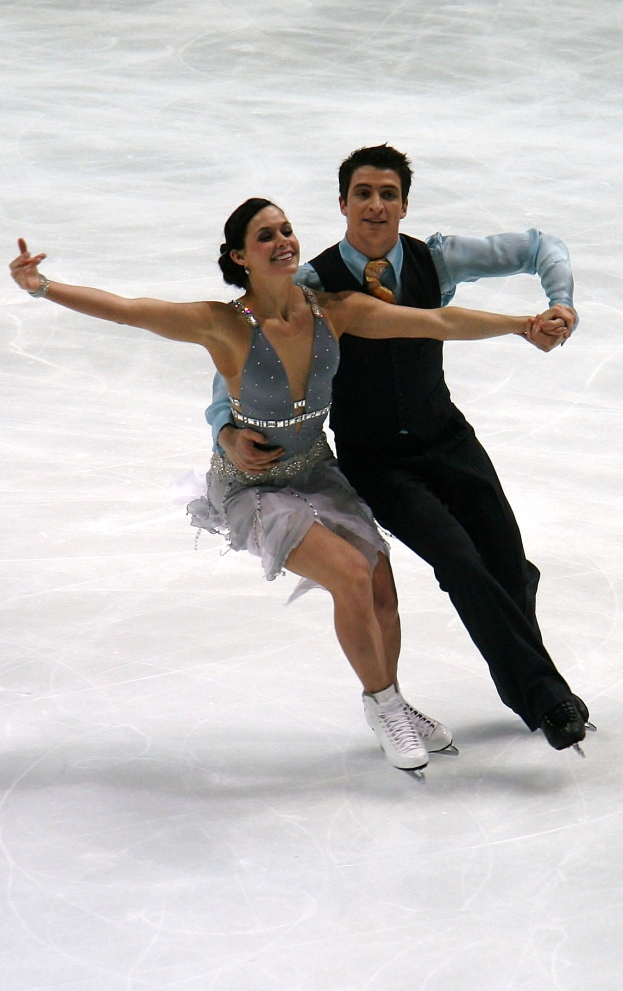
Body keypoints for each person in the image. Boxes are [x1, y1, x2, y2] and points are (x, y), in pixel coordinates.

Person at [9, 208, 568, 772]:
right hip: (254, 487)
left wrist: (521, 324)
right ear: (239, 257)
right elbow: (127, 310)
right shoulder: (221, 324)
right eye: (265, 237)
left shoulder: (335, 312)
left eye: (285, 231)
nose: (282, 241)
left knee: (380, 590)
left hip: (316, 471)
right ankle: (383, 705)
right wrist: (43, 287)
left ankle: (391, 698)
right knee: (348, 573)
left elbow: (436, 323)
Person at [206, 147, 592, 755]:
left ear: (405, 204)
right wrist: (226, 429)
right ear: (343, 204)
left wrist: (560, 301)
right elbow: (244, 369)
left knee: (509, 569)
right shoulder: (313, 287)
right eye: (363, 193)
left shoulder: (436, 259)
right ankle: (546, 698)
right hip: (377, 460)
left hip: (448, 437)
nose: (376, 205)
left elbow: (542, 245)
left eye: (389, 193)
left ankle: (531, 683)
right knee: (461, 563)